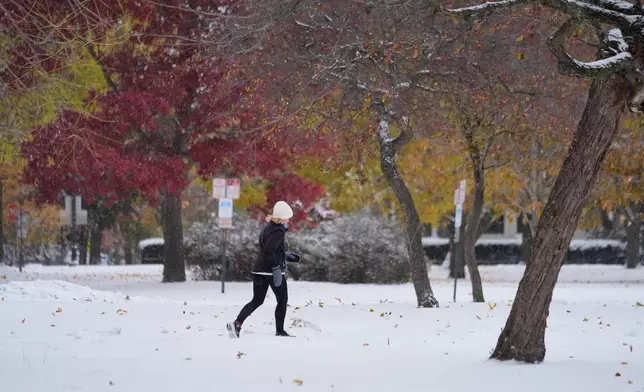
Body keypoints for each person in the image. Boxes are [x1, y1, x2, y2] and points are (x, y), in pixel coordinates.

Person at [226, 201, 300, 338]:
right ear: (282, 217)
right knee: (282, 300)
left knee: (257, 300)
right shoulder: (279, 231)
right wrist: (276, 267)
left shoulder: (267, 228)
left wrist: (285, 256)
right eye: (288, 217)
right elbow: (269, 250)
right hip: (271, 271)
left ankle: (237, 323)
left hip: (259, 269)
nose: (289, 219)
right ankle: (280, 331)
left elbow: (268, 249)